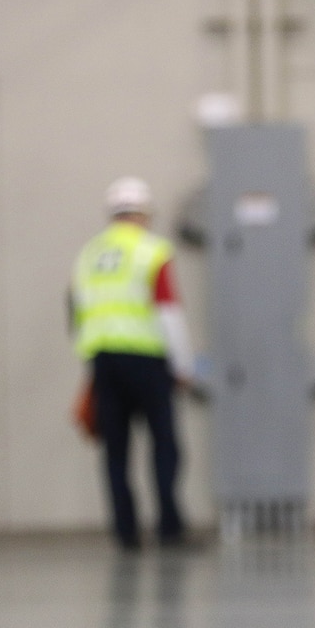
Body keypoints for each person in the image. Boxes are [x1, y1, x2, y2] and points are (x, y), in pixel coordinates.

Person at [70, 176, 196, 551]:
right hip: (147, 358)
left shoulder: (88, 254)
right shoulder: (151, 250)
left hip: (103, 361)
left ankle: (125, 532)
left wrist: (91, 356)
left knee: (116, 451)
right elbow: (167, 309)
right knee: (165, 445)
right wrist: (184, 365)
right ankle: (169, 528)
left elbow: (76, 312)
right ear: (143, 213)